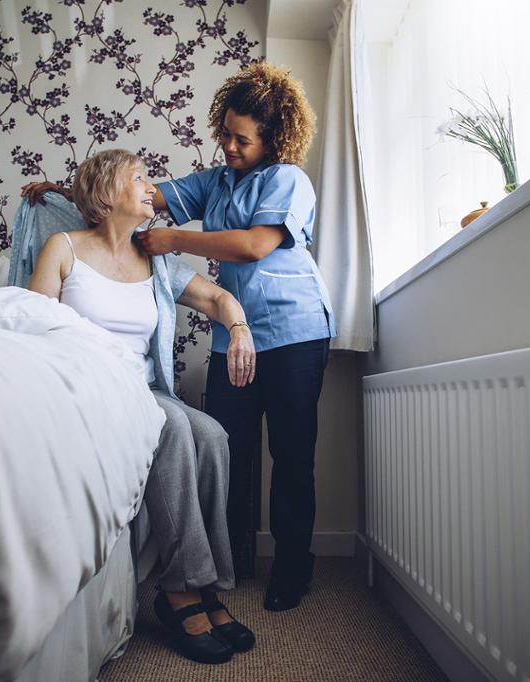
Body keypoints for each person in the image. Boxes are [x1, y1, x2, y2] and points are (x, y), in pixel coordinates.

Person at [20, 149, 256, 665]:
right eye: (140, 178)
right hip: (89, 391)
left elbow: (218, 300)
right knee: (171, 425)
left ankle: (209, 585)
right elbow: (33, 329)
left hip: (143, 391)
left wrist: (238, 328)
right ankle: (179, 591)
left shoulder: (157, 261)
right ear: (107, 193)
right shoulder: (62, 248)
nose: (153, 187)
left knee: (213, 435)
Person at [135, 62, 336, 613]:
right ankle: (231, 560)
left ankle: (293, 568)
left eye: (240, 138)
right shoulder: (216, 180)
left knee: (292, 454)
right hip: (235, 335)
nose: (227, 145)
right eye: (223, 132)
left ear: (272, 139)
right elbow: (145, 195)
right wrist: (73, 188)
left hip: (295, 332)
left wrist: (174, 239)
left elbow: (253, 246)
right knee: (226, 448)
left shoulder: (289, 180)